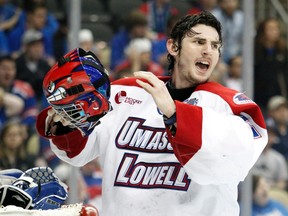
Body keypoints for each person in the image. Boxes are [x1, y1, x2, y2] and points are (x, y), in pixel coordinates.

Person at [36, 12, 268, 216]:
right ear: (173, 47)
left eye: (215, 45)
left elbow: (234, 161)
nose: (209, 50)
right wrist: (67, 123)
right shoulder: (126, 92)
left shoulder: (228, 104)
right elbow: (78, 153)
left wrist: (175, 112)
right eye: (199, 41)